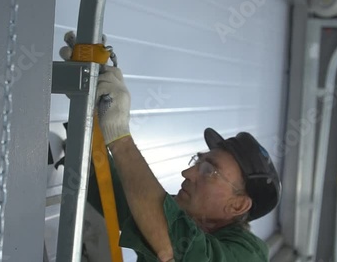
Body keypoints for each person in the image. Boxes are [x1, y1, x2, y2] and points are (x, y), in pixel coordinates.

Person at [60, 33, 282, 262]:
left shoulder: (249, 255)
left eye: (209, 171)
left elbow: (172, 247)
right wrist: (89, 110)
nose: (187, 173)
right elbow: (110, 187)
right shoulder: (181, 216)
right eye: (198, 162)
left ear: (238, 205)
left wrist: (119, 137)